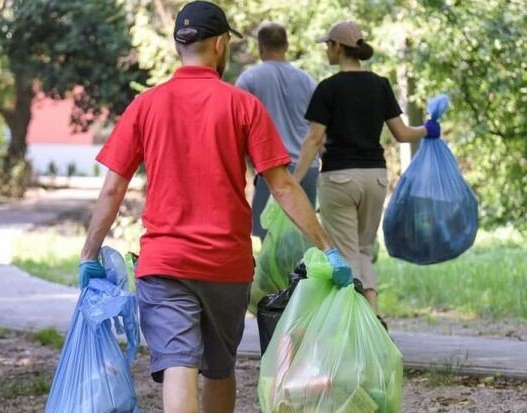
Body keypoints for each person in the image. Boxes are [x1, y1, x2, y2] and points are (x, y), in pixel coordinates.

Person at [77, 3, 353, 412]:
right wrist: (328, 247)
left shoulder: (146, 105)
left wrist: (89, 254)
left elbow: (112, 189)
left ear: (177, 46)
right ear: (221, 45)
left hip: (165, 263)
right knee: (218, 368)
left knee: (177, 365)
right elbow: (283, 185)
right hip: (226, 265)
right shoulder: (242, 106)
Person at [293, 21, 441, 314]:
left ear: (337, 47)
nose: (326, 50)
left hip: (339, 179)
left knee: (345, 253)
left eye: (327, 45)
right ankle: (372, 316)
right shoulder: (380, 84)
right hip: (375, 177)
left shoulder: (328, 88)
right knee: (362, 251)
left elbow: (314, 138)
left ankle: (357, 323)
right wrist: (428, 130)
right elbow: (401, 134)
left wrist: (294, 181)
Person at [236, 22, 319, 240]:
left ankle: (275, 276)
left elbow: (237, 129)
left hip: (271, 170)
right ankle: (304, 276)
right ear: (287, 46)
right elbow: (319, 129)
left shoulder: (249, 79)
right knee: (305, 239)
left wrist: (250, 167)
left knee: (270, 240)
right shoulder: (307, 80)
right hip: (307, 168)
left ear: (261, 47)